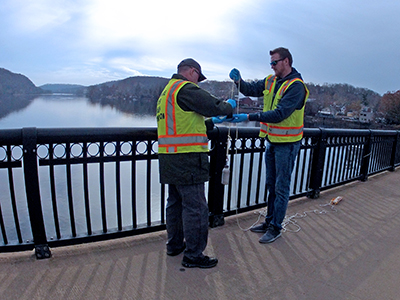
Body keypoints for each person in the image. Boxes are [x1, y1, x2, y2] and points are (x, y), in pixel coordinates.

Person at [156, 58, 236, 268]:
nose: (198, 82)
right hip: (188, 158)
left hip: (169, 157)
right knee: (196, 208)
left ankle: (174, 245)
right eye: (198, 78)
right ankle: (194, 254)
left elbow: (186, 121)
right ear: (192, 72)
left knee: (174, 204)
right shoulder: (186, 89)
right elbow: (214, 106)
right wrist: (230, 107)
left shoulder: (167, 92)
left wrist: (211, 123)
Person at [228, 47, 309, 243]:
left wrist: (249, 116)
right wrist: (238, 81)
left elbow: (280, 114)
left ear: (286, 61)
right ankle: (268, 221)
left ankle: (275, 227)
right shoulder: (271, 80)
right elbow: (250, 89)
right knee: (271, 185)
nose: (272, 66)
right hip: (272, 140)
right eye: (270, 63)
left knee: (281, 187)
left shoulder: (296, 86)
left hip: (288, 144)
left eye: (275, 62)